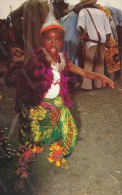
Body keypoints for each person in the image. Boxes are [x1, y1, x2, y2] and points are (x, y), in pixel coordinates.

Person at [14, 2, 114, 193]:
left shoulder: (63, 59)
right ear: (42, 40)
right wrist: (23, 102)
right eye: (49, 39)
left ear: (62, 40)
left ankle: (56, 153)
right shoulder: (37, 59)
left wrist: (101, 75)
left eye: (58, 39)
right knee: (32, 142)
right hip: (38, 108)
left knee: (69, 131)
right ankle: (22, 173)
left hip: (58, 106)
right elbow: (21, 78)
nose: (53, 44)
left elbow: (83, 72)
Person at [75, 0, 112, 90]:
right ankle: (99, 84)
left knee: (88, 62)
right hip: (102, 39)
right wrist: (105, 39)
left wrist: (83, 35)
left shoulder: (83, 11)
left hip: (91, 39)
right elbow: (108, 30)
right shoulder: (102, 12)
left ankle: (87, 85)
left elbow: (81, 26)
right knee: (100, 62)